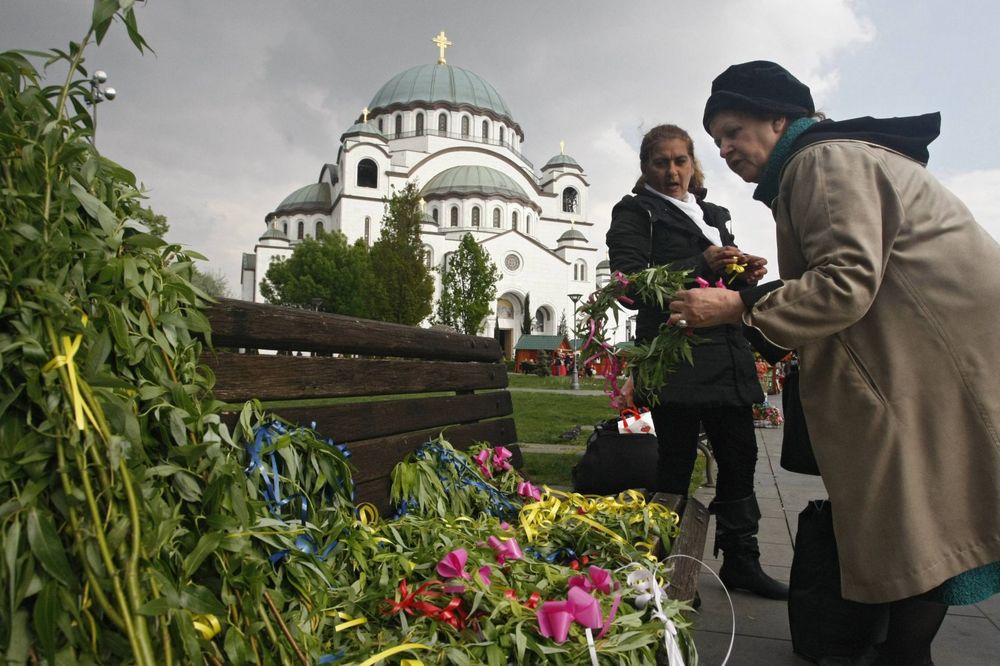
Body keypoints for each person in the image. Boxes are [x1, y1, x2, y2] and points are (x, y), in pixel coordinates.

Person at [673, 60, 1000, 665]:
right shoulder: (825, 160)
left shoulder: (820, 162)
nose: (723, 149)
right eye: (716, 139)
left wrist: (739, 304)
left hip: (934, 359)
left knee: (915, 516)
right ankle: (900, 653)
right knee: (926, 512)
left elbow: (846, 280)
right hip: (932, 357)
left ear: (780, 120)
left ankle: (903, 656)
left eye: (734, 131)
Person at [606, 124, 787, 600]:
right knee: (677, 461)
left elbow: (717, 285)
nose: (672, 172)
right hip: (676, 360)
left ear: (693, 164)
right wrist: (703, 263)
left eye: (680, 161)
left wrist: (739, 272)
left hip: (726, 353)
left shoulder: (712, 213)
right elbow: (628, 287)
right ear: (645, 168)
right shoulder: (635, 213)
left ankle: (741, 560)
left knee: (740, 456)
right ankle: (672, 566)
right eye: (661, 162)